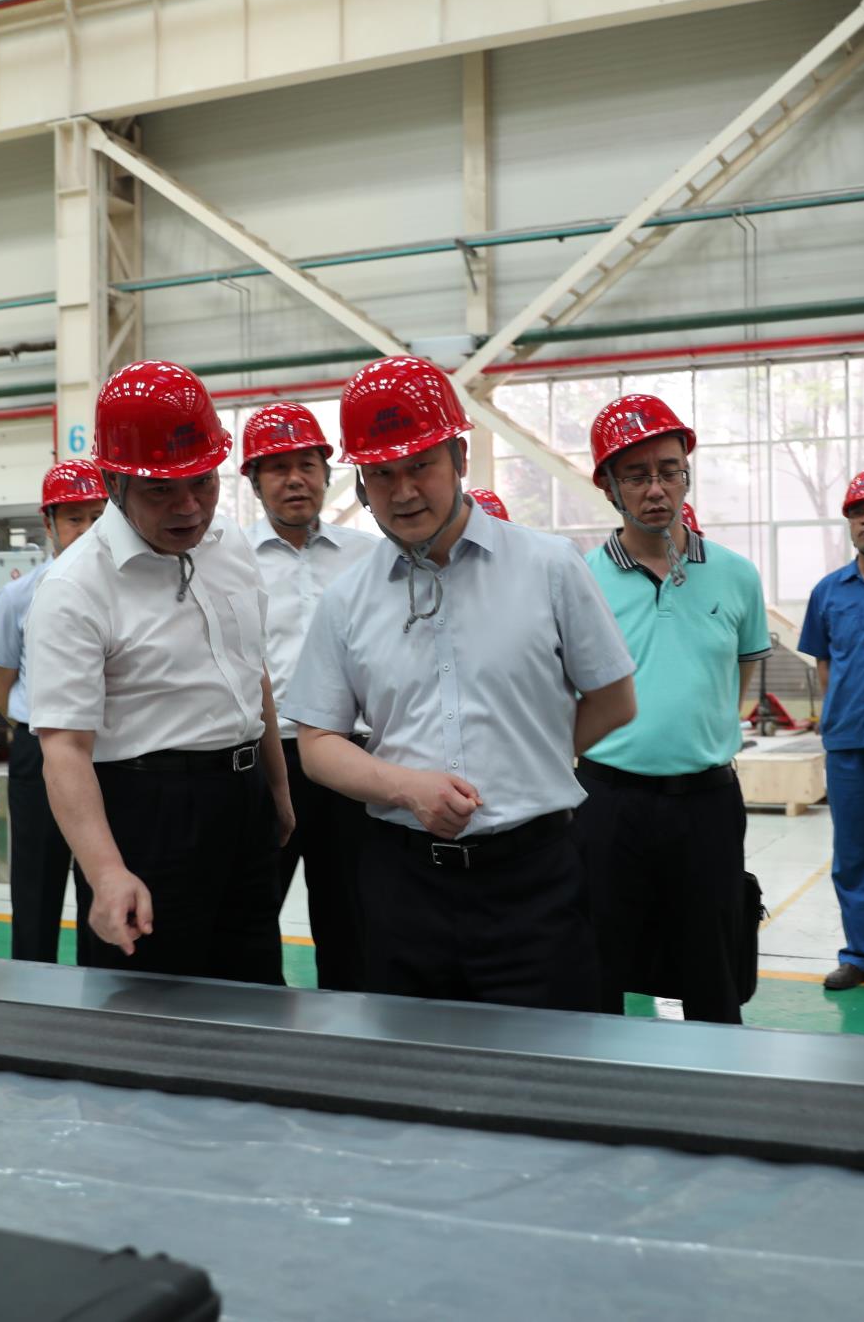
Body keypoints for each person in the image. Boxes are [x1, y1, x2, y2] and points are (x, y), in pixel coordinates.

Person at [283, 356, 636, 1010]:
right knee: (412, 1062)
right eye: (381, 474)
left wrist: (528, 756)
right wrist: (406, 787)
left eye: (420, 465)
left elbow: (614, 699)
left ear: (459, 458)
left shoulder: (549, 566)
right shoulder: (347, 599)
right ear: (360, 482)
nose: (403, 491)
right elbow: (317, 744)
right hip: (403, 885)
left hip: (537, 881)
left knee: (549, 1055)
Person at [25, 361, 292, 983]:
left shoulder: (229, 546)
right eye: (161, 492)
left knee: (254, 987)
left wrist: (277, 792)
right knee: (150, 1001)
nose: (189, 507)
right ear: (113, 483)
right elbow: (64, 747)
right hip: (147, 815)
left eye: (203, 482)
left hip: (243, 799)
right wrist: (106, 872)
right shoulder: (74, 588)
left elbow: (253, 677)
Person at [574, 393, 767, 1023]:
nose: (656, 489)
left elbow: (738, 674)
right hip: (606, 803)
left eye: (669, 471)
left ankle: (719, 1078)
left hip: (706, 804)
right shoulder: (580, 580)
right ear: (608, 486)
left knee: (713, 965)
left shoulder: (736, 576)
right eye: (636, 475)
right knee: (597, 965)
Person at [240, 402, 375, 991]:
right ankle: (257, 1024)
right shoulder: (229, 559)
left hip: (349, 755)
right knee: (252, 912)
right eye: (277, 468)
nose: (295, 479)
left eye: (307, 465)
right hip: (268, 758)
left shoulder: (367, 556)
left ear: (326, 472)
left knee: (351, 915)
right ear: (253, 481)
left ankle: (349, 1027)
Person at [0, 458, 106, 963]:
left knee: (103, 879)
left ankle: (104, 986)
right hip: (40, 750)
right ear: (49, 523)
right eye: (75, 518)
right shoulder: (18, 597)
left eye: (98, 517)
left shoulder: (127, 589)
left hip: (111, 753)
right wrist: (44, 736)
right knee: (37, 880)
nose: (88, 530)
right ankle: (30, 984)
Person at [799, 470, 864, 991]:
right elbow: (824, 663)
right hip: (846, 744)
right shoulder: (827, 592)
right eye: (858, 513)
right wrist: (839, 712)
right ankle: (860, 956)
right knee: (851, 856)